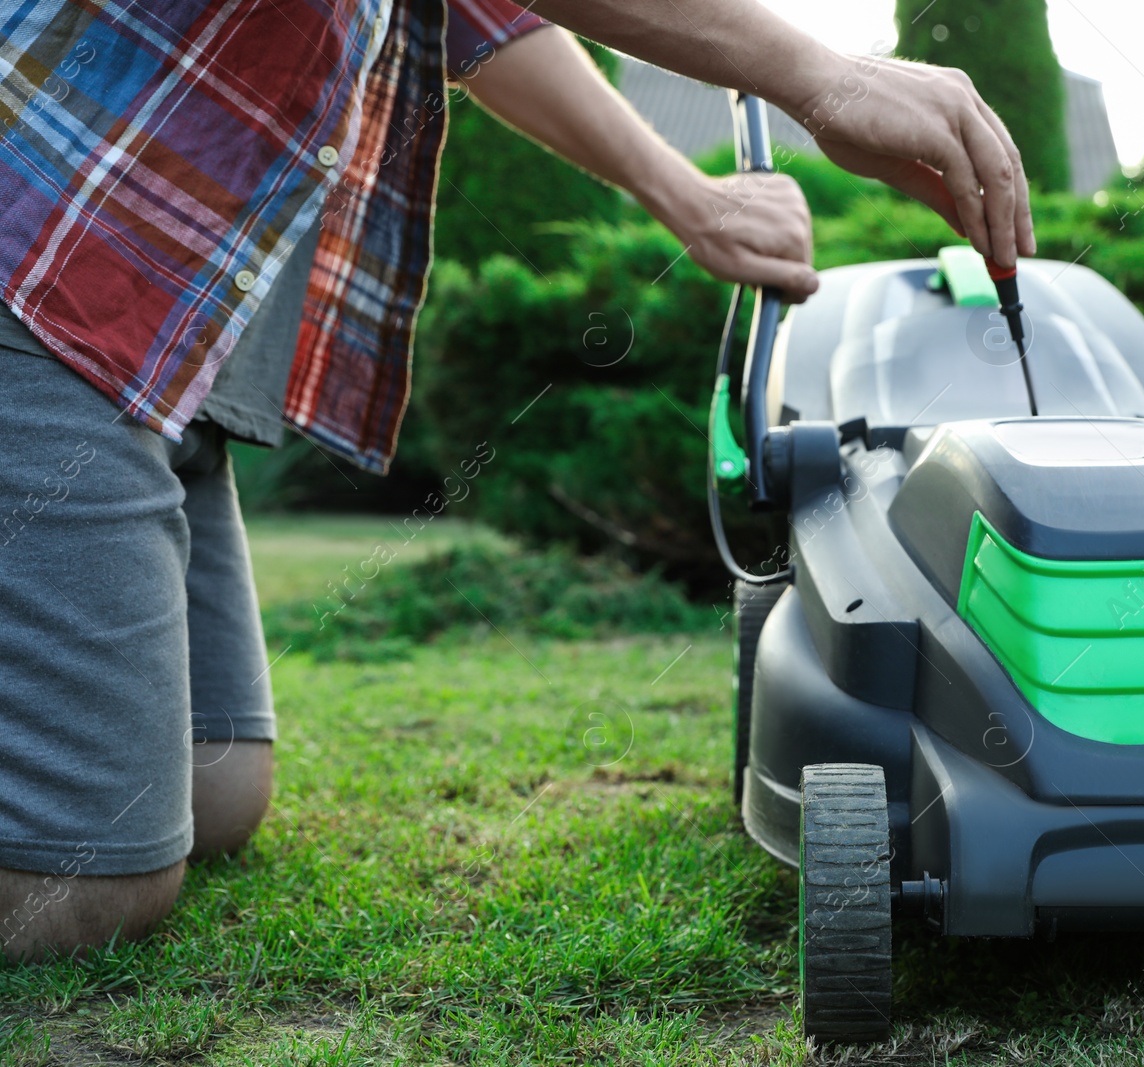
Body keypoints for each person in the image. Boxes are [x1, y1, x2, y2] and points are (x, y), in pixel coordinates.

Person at [0, 0, 1034, 960]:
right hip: (37, 266)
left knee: (219, 784)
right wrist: (813, 72)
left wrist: (692, 200)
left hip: (158, 339)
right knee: (84, 890)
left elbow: (479, 17)